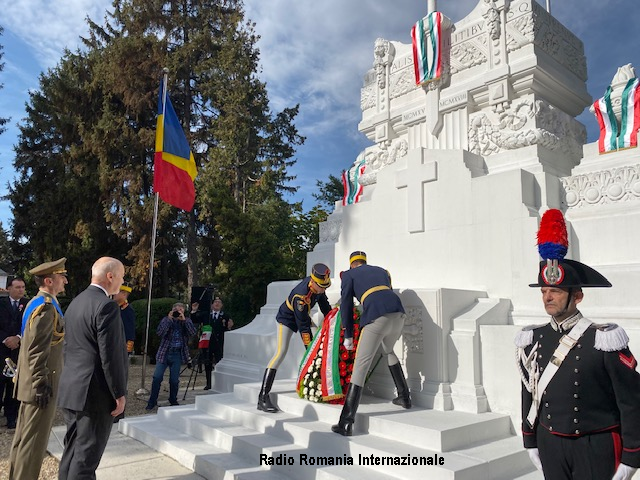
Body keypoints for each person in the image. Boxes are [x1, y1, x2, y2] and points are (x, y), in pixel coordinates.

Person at [515, 209, 640, 480]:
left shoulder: (604, 339)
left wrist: (632, 456)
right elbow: (529, 392)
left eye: (556, 291)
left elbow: (631, 401)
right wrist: (530, 439)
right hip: (550, 444)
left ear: (578, 296)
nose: (548, 297)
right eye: (544, 292)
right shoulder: (532, 339)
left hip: (595, 446)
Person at [57, 257, 129, 480]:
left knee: (72, 452)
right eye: (121, 276)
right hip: (94, 393)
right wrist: (119, 393)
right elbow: (111, 355)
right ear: (110, 276)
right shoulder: (106, 306)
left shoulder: (76, 302)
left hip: (72, 389)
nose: (122, 280)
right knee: (86, 460)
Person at [332, 251, 410, 437]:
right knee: (388, 350)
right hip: (398, 315)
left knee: (360, 365)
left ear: (352, 264)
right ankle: (405, 397)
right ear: (365, 262)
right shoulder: (383, 271)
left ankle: (346, 422)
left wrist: (348, 334)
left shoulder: (349, 275)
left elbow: (346, 305)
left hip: (376, 316)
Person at [8, 259, 67, 480]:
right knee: (33, 444)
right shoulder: (45, 307)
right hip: (40, 385)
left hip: (33, 383)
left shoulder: (37, 302)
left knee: (25, 440)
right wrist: (41, 384)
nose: (66, 281)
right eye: (62, 277)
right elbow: (35, 350)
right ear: (49, 280)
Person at [257, 263, 332, 413]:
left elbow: (325, 306)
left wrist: (333, 319)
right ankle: (263, 397)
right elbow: (303, 326)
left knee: (318, 340)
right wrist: (309, 349)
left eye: (325, 286)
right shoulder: (300, 296)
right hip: (287, 319)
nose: (323, 290)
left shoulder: (318, 287)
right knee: (280, 353)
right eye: (322, 286)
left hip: (303, 316)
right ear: (314, 281)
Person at [146, 302, 196, 409]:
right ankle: (152, 401)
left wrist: (184, 321)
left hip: (177, 354)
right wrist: (169, 320)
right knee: (157, 378)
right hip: (164, 352)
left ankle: (173, 399)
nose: (178, 313)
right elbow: (160, 333)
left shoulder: (186, 321)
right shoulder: (166, 320)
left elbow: (192, 333)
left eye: (180, 310)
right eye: (176, 311)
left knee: (174, 380)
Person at [0, 277, 27, 429]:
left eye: (22, 287)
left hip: (18, 350)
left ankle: (12, 417)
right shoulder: (1, 303)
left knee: (14, 385)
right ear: (9, 288)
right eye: (17, 287)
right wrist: (5, 339)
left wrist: (18, 338)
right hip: (2, 349)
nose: (21, 290)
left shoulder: (28, 304)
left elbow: (29, 325)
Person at [191, 296, 234, 390]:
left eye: (219, 302)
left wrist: (230, 327)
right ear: (212, 305)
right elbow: (194, 320)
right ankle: (209, 383)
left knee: (219, 363)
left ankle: (219, 383)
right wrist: (194, 311)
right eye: (215, 302)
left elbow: (228, 328)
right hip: (208, 342)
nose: (217, 304)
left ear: (222, 305)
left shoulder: (225, 316)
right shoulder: (207, 315)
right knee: (208, 363)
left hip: (219, 343)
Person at [114, 283, 136, 357]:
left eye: (117, 292)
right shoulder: (115, 307)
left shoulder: (128, 310)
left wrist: (127, 350)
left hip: (120, 347)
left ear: (124, 294)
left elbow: (130, 331)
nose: (114, 294)